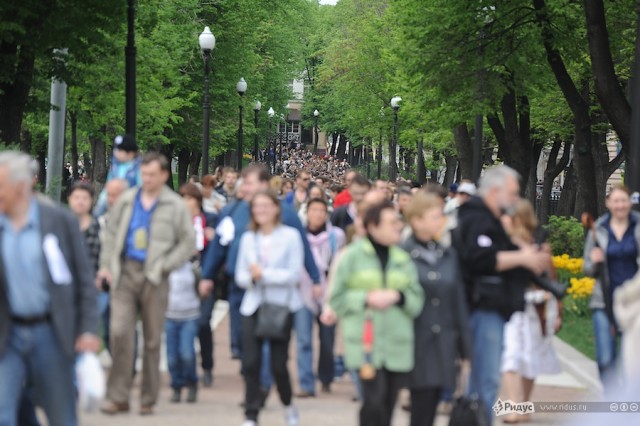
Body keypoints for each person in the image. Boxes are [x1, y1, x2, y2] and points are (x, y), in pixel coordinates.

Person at [0, 151, 99, 426]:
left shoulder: (58, 222)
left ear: (21, 186)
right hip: (6, 335)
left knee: (61, 415)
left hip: (51, 331)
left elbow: (82, 278)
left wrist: (89, 328)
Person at [98, 152, 196, 416]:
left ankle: (148, 398)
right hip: (126, 272)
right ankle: (118, 396)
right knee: (119, 333)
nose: (147, 179)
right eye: (144, 174)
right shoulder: (128, 200)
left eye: (152, 174)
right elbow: (111, 233)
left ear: (164, 175)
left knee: (153, 340)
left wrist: (165, 266)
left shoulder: (174, 205)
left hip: (155, 276)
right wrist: (106, 266)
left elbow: (188, 243)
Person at [452, 165, 551, 422]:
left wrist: (522, 254)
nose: (516, 198)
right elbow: (480, 258)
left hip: (492, 306)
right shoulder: (477, 218)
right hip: (483, 307)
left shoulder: (489, 219)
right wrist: (522, 257)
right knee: (486, 379)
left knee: (481, 380)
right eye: (513, 193)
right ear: (495, 191)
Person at [329, 199, 424, 426]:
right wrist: (365, 298)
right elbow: (337, 298)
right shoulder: (352, 256)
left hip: (396, 344)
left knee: (388, 405)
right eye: (392, 222)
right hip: (366, 345)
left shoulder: (403, 259)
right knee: (373, 401)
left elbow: (417, 299)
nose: (398, 227)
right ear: (373, 226)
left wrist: (398, 297)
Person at [400, 191, 471, 426]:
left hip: (443, 340)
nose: (440, 221)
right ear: (417, 220)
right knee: (419, 408)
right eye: (434, 216)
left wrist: (465, 349)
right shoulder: (402, 254)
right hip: (413, 340)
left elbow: (457, 301)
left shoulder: (447, 254)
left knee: (429, 407)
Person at [235, 190, 304, 426]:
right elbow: (240, 275)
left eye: (266, 206)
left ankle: (288, 405)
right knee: (251, 362)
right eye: (257, 206)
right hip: (253, 305)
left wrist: (264, 274)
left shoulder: (291, 236)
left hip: (282, 305)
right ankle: (251, 414)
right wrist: (253, 278)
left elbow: (294, 274)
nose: (261, 211)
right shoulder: (248, 238)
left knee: (278, 365)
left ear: (276, 208)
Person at [500, 200, 562, 424]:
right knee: (510, 355)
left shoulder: (540, 244)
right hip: (509, 307)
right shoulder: (503, 242)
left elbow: (550, 278)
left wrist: (559, 311)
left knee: (530, 356)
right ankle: (513, 406)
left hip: (535, 307)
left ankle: (524, 405)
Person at [583, 184, 640, 393]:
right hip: (604, 300)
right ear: (608, 203)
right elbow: (586, 268)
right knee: (606, 358)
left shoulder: (637, 226)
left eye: (623, 200)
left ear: (629, 203)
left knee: (632, 360)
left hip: (634, 301)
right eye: (616, 201)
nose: (620, 205)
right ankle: (612, 399)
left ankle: (629, 402)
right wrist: (595, 261)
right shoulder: (598, 229)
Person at [296, 197, 346, 397]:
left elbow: (339, 264)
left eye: (321, 210)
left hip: (328, 294)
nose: (317, 214)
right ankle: (306, 383)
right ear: (307, 212)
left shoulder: (336, 236)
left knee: (327, 340)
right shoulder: (298, 236)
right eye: (313, 210)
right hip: (303, 293)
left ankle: (325, 377)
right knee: (303, 339)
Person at [164, 183, 208, 404]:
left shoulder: (194, 261)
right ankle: (176, 385)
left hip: (190, 310)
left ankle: (191, 381)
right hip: (169, 310)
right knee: (172, 356)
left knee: (187, 352)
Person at [96, 179, 129, 352]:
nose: (111, 199)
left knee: (125, 326)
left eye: (116, 195)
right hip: (105, 280)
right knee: (107, 323)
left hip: (127, 279)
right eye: (109, 194)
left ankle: (127, 367)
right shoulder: (100, 221)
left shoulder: (133, 220)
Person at [94, 134, 142, 216]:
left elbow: (141, 188)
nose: (116, 153)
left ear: (130, 153)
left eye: (119, 150)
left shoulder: (139, 168)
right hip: (113, 204)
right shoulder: (115, 167)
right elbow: (107, 187)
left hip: (131, 205)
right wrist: (101, 202)